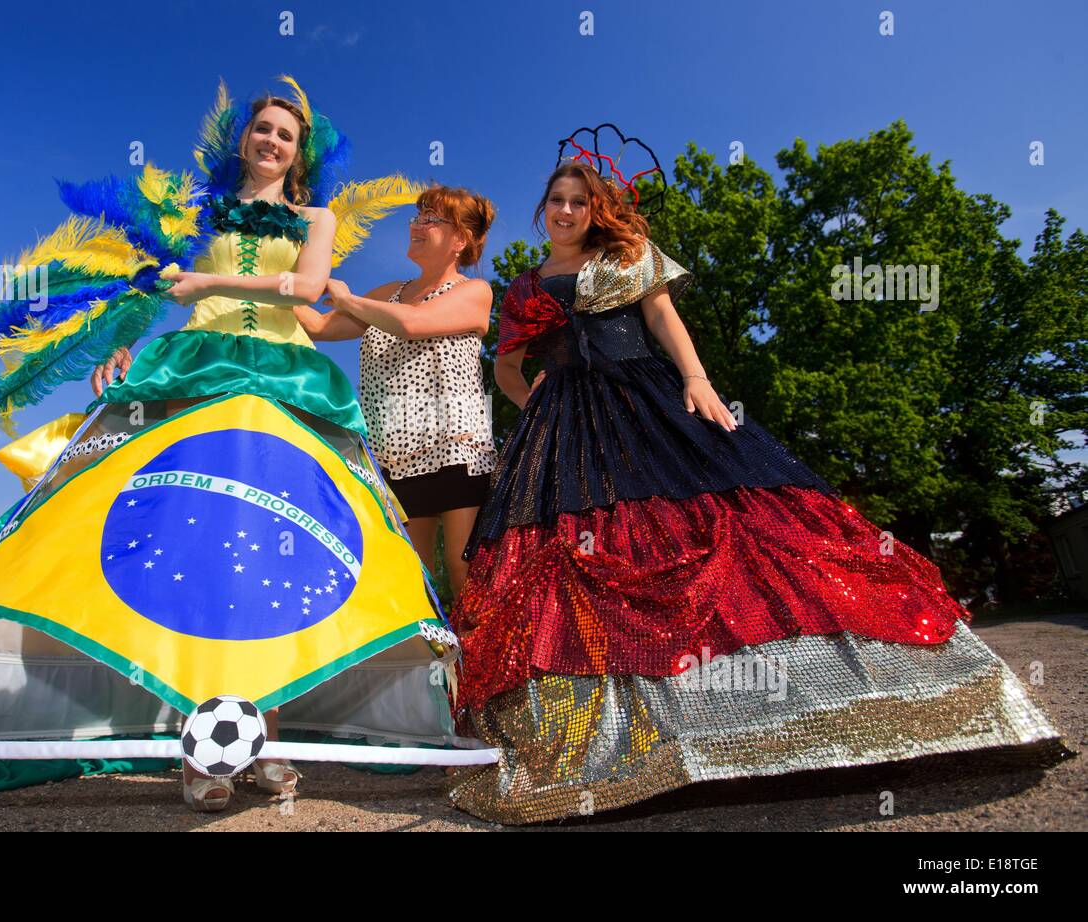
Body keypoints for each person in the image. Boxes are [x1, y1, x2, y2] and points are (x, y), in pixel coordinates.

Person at [445, 152, 1060, 824]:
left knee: (744, 526)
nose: (565, 211)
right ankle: (615, 752)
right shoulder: (527, 288)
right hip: (567, 425)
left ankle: (825, 715)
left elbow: (663, 322)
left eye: (577, 201)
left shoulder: (629, 256)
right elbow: (506, 367)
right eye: (556, 200)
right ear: (543, 210)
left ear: (595, 210)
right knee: (571, 563)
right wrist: (533, 397)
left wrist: (698, 380)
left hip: (645, 403)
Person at [294, 186, 498, 596]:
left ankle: (479, 661)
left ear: (460, 239)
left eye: (431, 219)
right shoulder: (385, 294)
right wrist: (287, 277)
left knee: (466, 577)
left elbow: (412, 323)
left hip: (457, 450)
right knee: (412, 583)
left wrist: (348, 298)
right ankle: (438, 663)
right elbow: (317, 327)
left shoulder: (474, 292)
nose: (416, 225)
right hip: (392, 455)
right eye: (417, 217)